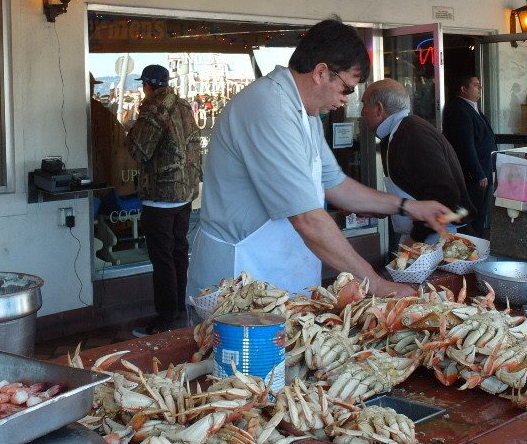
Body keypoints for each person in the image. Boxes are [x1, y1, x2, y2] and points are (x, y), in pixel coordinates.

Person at [188, 19, 452, 301]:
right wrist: (375, 283)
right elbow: (306, 218)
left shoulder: (306, 113)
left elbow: (335, 184)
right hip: (240, 277)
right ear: (321, 72)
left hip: (279, 277)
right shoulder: (269, 108)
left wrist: (408, 207)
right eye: (347, 90)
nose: (346, 101)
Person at [126, 64, 202, 336]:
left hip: (160, 197)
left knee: (163, 259)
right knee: (179, 253)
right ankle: (180, 312)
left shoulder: (153, 108)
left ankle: (166, 319)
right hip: (184, 195)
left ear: (147, 85)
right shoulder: (182, 106)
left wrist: (131, 129)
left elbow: (139, 149)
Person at [362, 79, 477, 243]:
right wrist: (380, 209)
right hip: (426, 237)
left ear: (379, 108)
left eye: (364, 104)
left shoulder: (412, 134)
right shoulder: (399, 132)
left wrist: (415, 238)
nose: (361, 112)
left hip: (440, 238)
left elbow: (444, 193)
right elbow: (412, 188)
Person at [442, 75, 496, 237]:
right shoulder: (458, 109)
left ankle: (476, 247)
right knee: (471, 218)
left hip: (484, 171)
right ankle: (471, 250)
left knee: (479, 215)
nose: (480, 88)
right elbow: (465, 145)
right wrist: (477, 172)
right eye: (476, 85)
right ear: (463, 89)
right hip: (472, 176)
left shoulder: (472, 107)